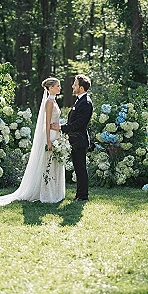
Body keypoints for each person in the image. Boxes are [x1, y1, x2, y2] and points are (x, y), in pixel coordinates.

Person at [0, 78, 65, 206]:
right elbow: (46, 123)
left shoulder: (53, 101)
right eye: (58, 86)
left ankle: (54, 192)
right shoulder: (49, 102)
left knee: (54, 163)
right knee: (48, 163)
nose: (60, 88)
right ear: (50, 88)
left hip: (56, 134)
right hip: (51, 136)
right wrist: (48, 140)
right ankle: (48, 193)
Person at [50, 74, 93, 202]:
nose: (72, 86)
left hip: (79, 141)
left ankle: (83, 196)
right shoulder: (79, 100)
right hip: (74, 140)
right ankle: (79, 195)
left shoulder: (86, 103)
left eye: (75, 84)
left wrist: (61, 127)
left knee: (80, 169)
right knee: (78, 169)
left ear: (81, 87)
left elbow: (79, 124)